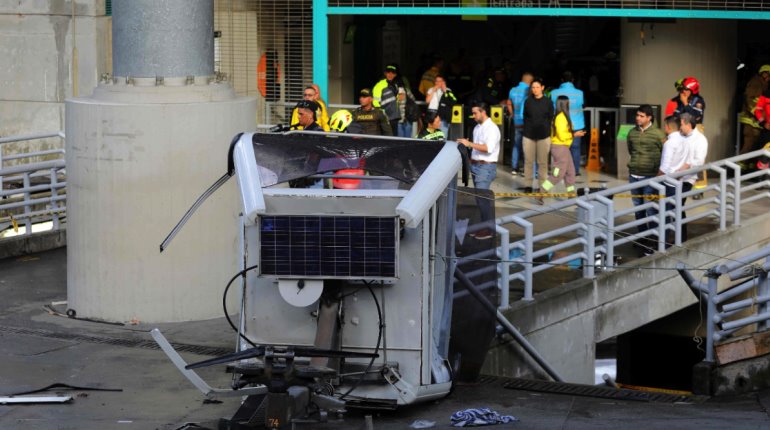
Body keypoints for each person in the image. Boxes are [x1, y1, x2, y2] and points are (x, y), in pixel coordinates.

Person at [457, 102, 500, 240]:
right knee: (480, 199)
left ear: (483, 112)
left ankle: (489, 229)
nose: (473, 116)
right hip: (476, 166)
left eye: (475, 113)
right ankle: (485, 227)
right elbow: (477, 147)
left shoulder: (492, 129)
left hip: (486, 167)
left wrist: (469, 144)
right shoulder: (477, 128)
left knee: (483, 199)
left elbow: (488, 148)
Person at [627, 104, 666, 255]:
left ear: (649, 117)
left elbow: (665, 152)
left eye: (642, 116)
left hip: (651, 176)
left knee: (650, 208)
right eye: (637, 115)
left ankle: (653, 239)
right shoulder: (632, 133)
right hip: (634, 175)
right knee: (638, 208)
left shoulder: (658, 134)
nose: (638, 118)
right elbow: (631, 150)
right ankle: (643, 238)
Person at [675, 112, 708, 242]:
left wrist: (686, 166)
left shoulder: (700, 139)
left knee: (678, 205)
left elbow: (699, 161)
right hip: (674, 177)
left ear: (688, 124)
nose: (679, 127)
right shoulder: (680, 136)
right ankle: (677, 236)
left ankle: (681, 238)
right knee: (673, 206)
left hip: (687, 178)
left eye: (681, 124)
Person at [657, 115, 688, 247]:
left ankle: (663, 242)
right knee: (674, 212)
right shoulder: (684, 141)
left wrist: (656, 180)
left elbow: (664, 167)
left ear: (668, 127)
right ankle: (675, 239)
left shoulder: (670, 143)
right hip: (678, 181)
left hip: (668, 183)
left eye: (665, 126)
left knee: (664, 213)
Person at [550, 71, 587, 176]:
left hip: (559, 125)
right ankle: (574, 171)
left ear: (561, 80)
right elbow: (584, 105)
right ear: (573, 80)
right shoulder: (580, 93)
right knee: (575, 149)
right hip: (577, 125)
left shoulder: (553, 93)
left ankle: (557, 172)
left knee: (559, 151)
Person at [540, 96, 576, 204]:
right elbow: (562, 135)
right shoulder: (560, 117)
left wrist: (572, 134)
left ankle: (571, 194)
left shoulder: (563, 116)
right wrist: (572, 135)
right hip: (560, 147)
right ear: (564, 104)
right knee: (558, 174)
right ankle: (541, 192)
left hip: (564, 147)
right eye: (568, 103)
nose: (569, 104)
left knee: (570, 172)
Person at [522, 78, 553, 196]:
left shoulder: (548, 102)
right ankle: (528, 185)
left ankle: (542, 185)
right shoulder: (528, 101)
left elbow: (550, 116)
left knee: (543, 162)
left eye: (537, 87)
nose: (535, 90)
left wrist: (544, 127)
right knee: (529, 161)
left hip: (544, 136)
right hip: (529, 135)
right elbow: (525, 116)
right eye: (533, 87)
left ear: (542, 88)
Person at [373, 64, 417, 137]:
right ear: (385, 73)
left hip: (396, 118)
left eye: (393, 73)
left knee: (395, 139)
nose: (390, 74)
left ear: (395, 74)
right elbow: (375, 102)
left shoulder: (397, 84)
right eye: (388, 72)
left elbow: (404, 99)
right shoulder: (379, 85)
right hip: (385, 118)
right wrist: (382, 115)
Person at [740, 65, 770, 155]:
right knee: (748, 146)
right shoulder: (755, 83)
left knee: (754, 147)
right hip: (751, 120)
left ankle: (749, 167)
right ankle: (739, 167)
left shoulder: (763, 85)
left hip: (756, 122)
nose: (769, 78)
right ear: (763, 74)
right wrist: (761, 117)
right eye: (768, 75)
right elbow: (751, 101)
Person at [508, 72, 533, 176]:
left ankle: (514, 167)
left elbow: (509, 103)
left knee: (516, 145)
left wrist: (513, 114)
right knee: (528, 146)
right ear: (530, 81)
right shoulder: (530, 91)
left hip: (517, 121)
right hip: (528, 123)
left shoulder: (513, 90)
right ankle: (525, 167)